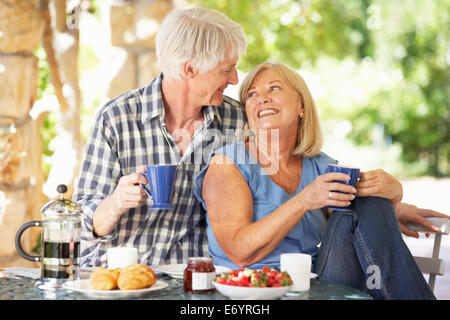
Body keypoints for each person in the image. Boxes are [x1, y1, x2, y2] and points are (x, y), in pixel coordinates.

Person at [194, 62, 449, 299]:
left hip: (314, 285)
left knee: (367, 201)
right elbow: (239, 252)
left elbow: (361, 229)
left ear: (301, 107)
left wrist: (394, 196)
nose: (262, 98)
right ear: (248, 111)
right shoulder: (227, 164)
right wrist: (303, 200)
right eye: (251, 94)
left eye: (274, 88)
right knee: (363, 203)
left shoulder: (319, 165)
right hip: (250, 290)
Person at [73, 7, 247, 267]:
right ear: (189, 69)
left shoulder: (237, 121)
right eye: (226, 70)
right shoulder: (117, 118)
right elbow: (83, 222)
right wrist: (116, 202)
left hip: (194, 278)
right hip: (121, 276)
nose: (234, 79)